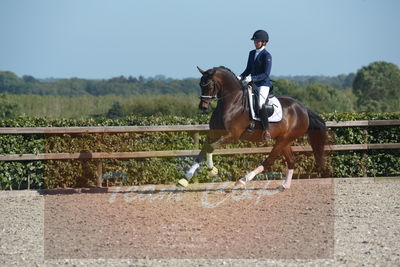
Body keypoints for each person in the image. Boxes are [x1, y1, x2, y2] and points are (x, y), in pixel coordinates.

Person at [238, 29, 272, 140]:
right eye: (255, 41)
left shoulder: (267, 55)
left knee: (261, 103)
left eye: (257, 41)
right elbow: (248, 69)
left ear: (264, 42)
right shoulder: (251, 53)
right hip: (251, 82)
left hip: (263, 84)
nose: (255, 43)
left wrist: (252, 78)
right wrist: (240, 76)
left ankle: (266, 130)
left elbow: (266, 74)